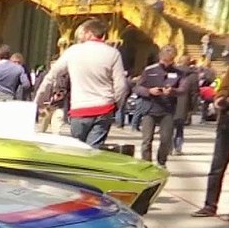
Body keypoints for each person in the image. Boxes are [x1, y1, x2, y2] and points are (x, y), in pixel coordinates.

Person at [32, 18, 128, 148]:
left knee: (77, 148)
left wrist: (38, 101)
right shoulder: (113, 53)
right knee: (94, 149)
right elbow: (121, 86)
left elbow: (51, 76)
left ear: (89, 33)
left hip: (80, 109)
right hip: (104, 108)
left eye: (81, 33)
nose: (79, 36)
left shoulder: (73, 51)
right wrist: (116, 105)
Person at [192, 60, 229, 221]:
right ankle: (210, 205)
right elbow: (222, 90)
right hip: (227, 122)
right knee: (217, 167)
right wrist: (221, 99)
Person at [134, 45, 186, 166]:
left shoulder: (179, 73)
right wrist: (149, 91)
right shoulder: (149, 70)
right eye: (164, 60)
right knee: (147, 140)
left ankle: (161, 162)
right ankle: (146, 163)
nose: (166, 63)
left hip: (167, 110)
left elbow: (183, 89)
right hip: (150, 108)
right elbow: (137, 87)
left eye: (170, 60)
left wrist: (173, 91)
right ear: (160, 57)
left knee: (166, 139)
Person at [173, 56, 199, 155]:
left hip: (169, 104)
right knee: (180, 128)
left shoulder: (171, 72)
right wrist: (192, 108)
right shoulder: (193, 76)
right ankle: (177, 148)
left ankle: (168, 147)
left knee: (168, 127)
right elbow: (194, 93)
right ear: (189, 63)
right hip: (184, 105)